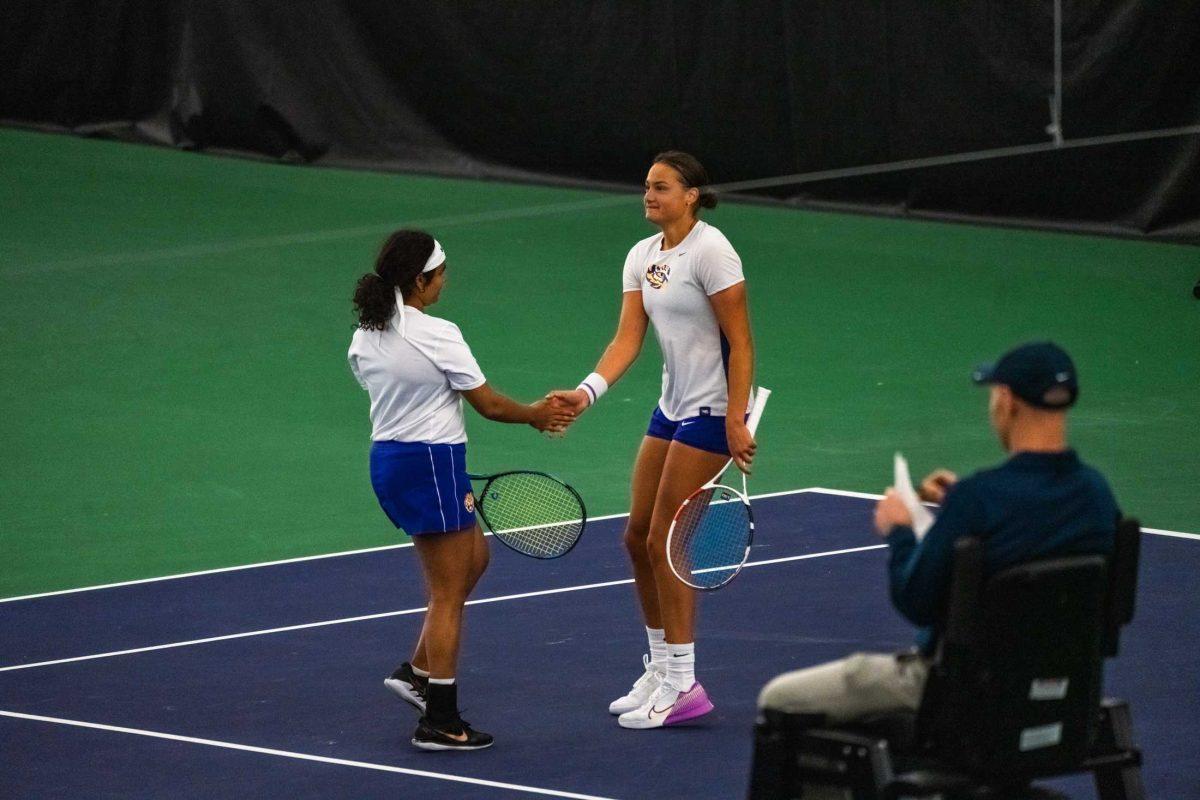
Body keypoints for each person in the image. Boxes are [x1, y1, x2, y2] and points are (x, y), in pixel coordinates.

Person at [757, 341, 1119, 731]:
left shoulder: (978, 501)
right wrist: (962, 509)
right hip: (1070, 693)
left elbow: (916, 600)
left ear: (1007, 400)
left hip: (960, 693)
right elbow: (1035, 527)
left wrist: (898, 531)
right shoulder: (1097, 495)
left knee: (780, 700)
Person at [550, 151, 756, 729]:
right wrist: (585, 394)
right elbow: (627, 340)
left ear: (691, 194)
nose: (649, 195)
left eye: (661, 187)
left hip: (714, 412)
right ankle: (662, 666)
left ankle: (685, 682)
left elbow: (740, 341)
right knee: (637, 536)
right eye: (646, 186)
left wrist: (737, 418)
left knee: (669, 539)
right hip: (671, 409)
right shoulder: (642, 256)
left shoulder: (713, 251)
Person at [348, 229, 573, 751]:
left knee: (475, 558)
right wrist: (538, 416)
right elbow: (490, 405)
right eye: (441, 272)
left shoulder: (365, 334)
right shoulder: (438, 332)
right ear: (421, 280)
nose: (446, 280)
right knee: (448, 595)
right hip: (428, 462)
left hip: (399, 459)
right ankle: (440, 719)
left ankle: (418, 673)